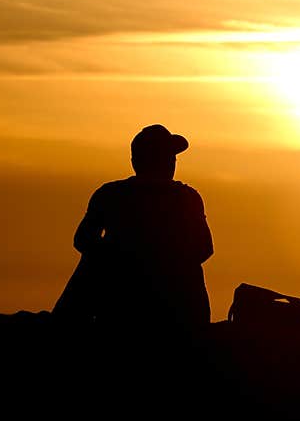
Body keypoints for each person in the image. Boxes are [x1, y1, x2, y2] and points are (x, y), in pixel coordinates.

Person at [54, 124, 213, 342]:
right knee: (94, 261)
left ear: (134, 162)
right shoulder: (187, 197)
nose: (172, 162)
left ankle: (62, 328)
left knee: (92, 261)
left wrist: (118, 255)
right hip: (175, 307)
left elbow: (82, 240)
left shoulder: (110, 194)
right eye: (168, 157)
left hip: (123, 300)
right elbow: (204, 248)